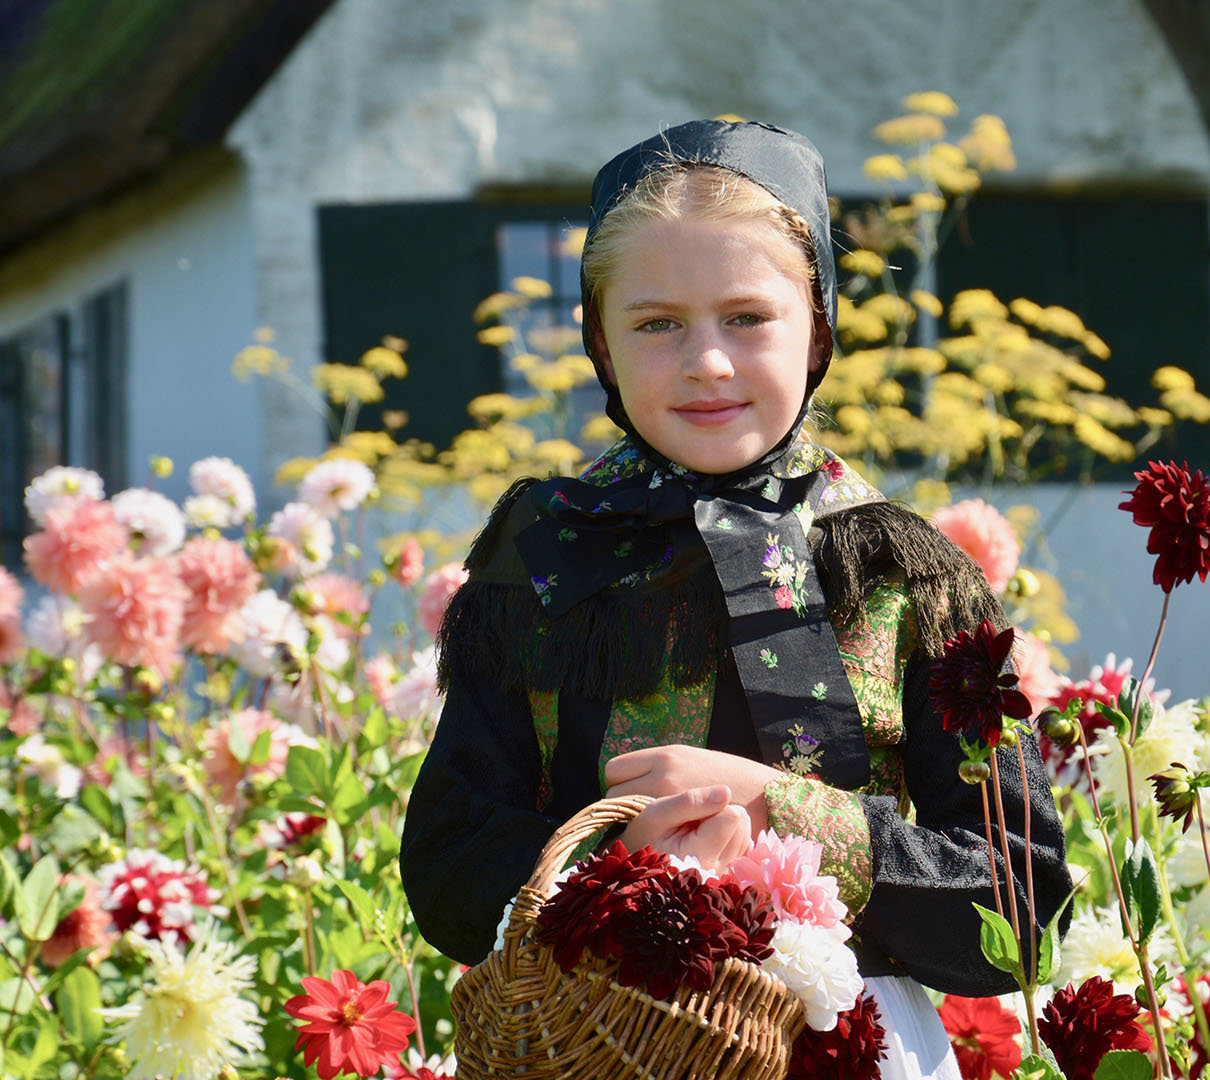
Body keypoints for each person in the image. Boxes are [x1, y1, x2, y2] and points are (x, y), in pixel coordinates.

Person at [401, 119, 1070, 1079]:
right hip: (597, 1039)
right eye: (657, 322)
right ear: (600, 338)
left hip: (858, 1046)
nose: (706, 360)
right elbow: (447, 869)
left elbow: (1022, 904)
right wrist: (611, 870)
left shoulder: (908, 575)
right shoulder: (543, 562)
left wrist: (789, 813)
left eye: (747, 318)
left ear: (818, 328)